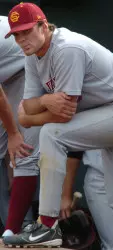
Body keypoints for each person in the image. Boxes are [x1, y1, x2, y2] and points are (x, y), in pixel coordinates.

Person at [3, 3, 113, 249]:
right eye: (16, 34)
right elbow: (28, 106)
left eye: (26, 31)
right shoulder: (32, 57)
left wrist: (30, 117)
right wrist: (44, 101)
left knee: (52, 133)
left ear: (43, 25)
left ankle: (46, 225)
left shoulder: (66, 47)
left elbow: (63, 114)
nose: (21, 39)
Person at [0, 16, 40, 237]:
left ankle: (24, 228)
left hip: (26, 70)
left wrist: (14, 133)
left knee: (24, 151)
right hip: (6, 75)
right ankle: (12, 228)